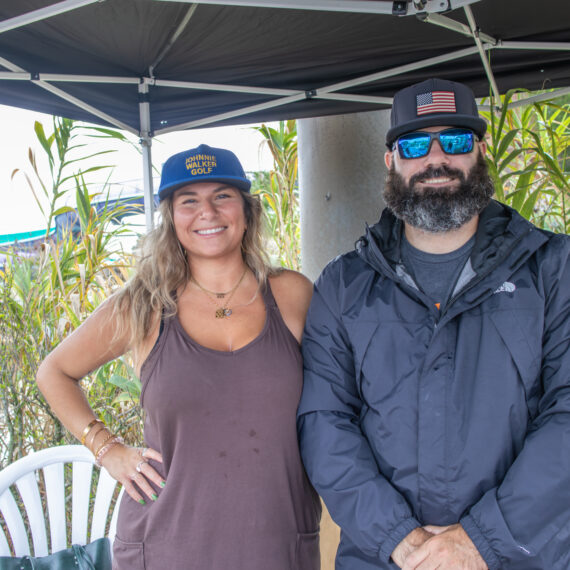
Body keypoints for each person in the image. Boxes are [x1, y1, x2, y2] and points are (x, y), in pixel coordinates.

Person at [297, 78, 570, 569]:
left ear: (481, 150)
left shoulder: (552, 269)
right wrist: (401, 540)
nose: (436, 159)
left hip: (522, 556)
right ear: (391, 160)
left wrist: (480, 540)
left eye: (456, 141)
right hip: (386, 558)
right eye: (415, 145)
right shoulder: (344, 285)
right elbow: (324, 421)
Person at [36, 144, 321, 570]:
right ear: (171, 218)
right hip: (167, 544)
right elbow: (54, 372)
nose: (207, 212)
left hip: (278, 540)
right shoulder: (144, 304)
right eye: (189, 201)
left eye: (222, 195)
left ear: (247, 210)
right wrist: (106, 447)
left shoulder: (292, 294)